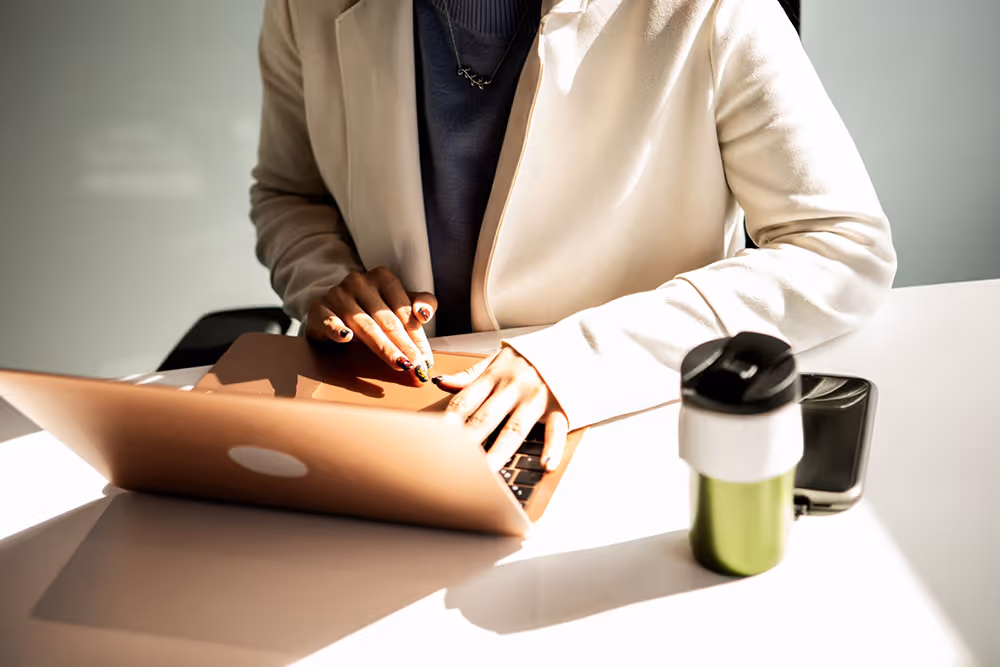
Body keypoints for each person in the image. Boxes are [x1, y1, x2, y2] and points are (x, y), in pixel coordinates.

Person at [250, 0, 896, 473]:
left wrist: (578, 360)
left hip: (614, 422)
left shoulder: (717, 10)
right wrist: (328, 282)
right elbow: (288, 195)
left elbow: (840, 247)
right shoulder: (303, 7)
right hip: (393, 421)